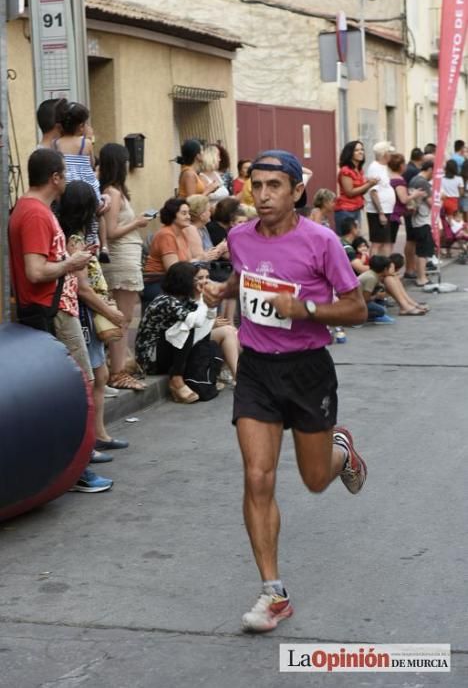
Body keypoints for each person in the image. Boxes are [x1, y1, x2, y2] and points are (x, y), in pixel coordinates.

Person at [203, 149, 368, 633]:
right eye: (257, 185)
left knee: (315, 480)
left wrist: (306, 311)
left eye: (275, 186)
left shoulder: (321, 241)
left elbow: (356, 307)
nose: (264, 195)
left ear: (296, 191)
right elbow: (246, 276)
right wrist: (222, 291)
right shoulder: (238, 236)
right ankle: (273, 593)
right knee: (258, 477)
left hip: (308, 370)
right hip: (256, 369)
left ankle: (342, 450)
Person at [8, 149, 113, 493]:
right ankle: (78, 468)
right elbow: (36, 271)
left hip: (55, 308)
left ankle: (75, 463)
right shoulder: (35, 213)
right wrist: (71, 263)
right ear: (54, 178)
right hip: (53, 310)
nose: (68, 178)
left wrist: (71, 258)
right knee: (76, 390)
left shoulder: (33, 210)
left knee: (73, 388)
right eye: (65, 173)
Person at [58, 181, 129, 458]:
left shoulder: (76, 234)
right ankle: (89, 441)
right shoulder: (74, 239)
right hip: (85, 314)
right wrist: (110, 311)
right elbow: (83, 288)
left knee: (99, 375)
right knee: (93, 376)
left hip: (88, 312)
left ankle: (99, 435)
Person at [99, 143, 149, 391]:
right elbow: (110, 231)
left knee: (122, 317)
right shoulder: (113, 192)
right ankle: (117, 372)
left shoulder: (114, 191)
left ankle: (116, 368)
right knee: (122, 317)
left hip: (126, 256)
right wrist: (137, 223)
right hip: (121, 259)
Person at [136, 262, 221, 403]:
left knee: (200, 333)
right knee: (186, 326)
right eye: (196, 279)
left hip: (164, 352)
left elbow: (207, 323)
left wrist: (210, 304)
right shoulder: (165, 301)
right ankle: (176, 378)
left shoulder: (183, 299)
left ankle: (198, 376)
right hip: (151, 360)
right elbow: (195, 322)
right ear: (184, 281)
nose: (201, 282)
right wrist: (201, 299)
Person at [53, 100, 110, 262]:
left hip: (67, 186)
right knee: (97, 214)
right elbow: (92, 163)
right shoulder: (85, 143)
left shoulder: (56, 143)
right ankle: (99, 244)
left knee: (61, 214)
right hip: (85, 185)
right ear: (81, 126)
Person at [142, 197, 192, 311]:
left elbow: (188, 261)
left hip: (176, 281)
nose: (188, 216)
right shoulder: (166, 234)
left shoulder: (182, 233)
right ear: (173, 215)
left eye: (189, 213)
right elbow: (173, 269)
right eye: (184, 213)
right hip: (158, 281)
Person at [334, 140, 379, 235]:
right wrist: (369, 184)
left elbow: (360, 191)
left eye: (362, 149)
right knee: (346, 239)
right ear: (350, 153)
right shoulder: (346, 170)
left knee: (355, 238)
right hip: (346, 210)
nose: (361, 152)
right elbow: (349, 192)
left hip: (356, 208)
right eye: (357, 150)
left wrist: (369, 183)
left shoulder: (359, 170)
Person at [388, 153, 425, 252]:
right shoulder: (399, 180)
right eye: (404, 164)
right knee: (389, 244)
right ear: (401, 166)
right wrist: (415, 194)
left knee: (386, 242)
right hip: (394, 214)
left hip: (390, 211)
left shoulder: (389, 177)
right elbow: (403, 199)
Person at [365, 141, 396, 257]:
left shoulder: (384, 167)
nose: (391, 155)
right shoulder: (374, 168)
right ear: (384, 154)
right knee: (377, 242)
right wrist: (381, 212)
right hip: (378, 211)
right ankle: (375, 267)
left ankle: (384, 266)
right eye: (389, 152)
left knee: (385, 241)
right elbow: (373, 192)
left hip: (387, 210)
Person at [408, 161, 435, 287]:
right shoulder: (422, 182)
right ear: (429, 169)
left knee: (420, 249)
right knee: (423, 251)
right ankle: (421, 277)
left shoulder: (414, 180)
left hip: (417, 219)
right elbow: (431, 203)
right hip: (422, 220)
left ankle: (421, 274)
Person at [185, 194, 228, 261]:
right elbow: (201, 260)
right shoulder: (191, 230)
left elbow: (208, 253)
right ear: (202, 215)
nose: (210, 213)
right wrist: (219, 249)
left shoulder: (203, 227)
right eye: (208, 210)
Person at [358, 256, 395, 324]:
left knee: (382, 299)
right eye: (390, 268)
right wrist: (377, 296)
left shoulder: (373, 274)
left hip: (362, 300)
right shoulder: (371, 278)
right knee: (382, 311)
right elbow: (365, 299)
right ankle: (358, 318)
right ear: (385, 269)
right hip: (357, 303)